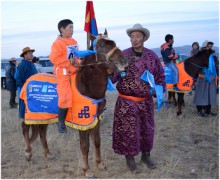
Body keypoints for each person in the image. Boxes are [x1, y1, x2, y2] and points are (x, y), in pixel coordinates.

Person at [110, 23, 166, 173]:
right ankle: (130, 159)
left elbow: (160, 76)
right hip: (126, 102)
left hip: (145, 102)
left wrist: (158, 90)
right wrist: (111, 68)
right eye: (132, 37)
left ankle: (146, 156)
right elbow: (114, 76)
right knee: (128, 131)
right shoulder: (124, 55)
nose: (134, 40)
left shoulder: (152, 56)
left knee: (147, 130)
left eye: (137, 37)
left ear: (144, 38)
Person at [49, 19, 80, 133]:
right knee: (65, 95)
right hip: (63, 72)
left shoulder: (74, 41)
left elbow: (77, 56)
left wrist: (78, 62)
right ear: (62, 29)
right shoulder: (57, 43)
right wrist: (70, 62)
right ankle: (61, 123)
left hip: (75, 70)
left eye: (73, 27)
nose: (72, 30)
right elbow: (54, 59)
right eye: (70, 27)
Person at [193, 40, 218, 116]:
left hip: (212, 78)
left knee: (210, 94)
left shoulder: (213, 55)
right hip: (202, 77)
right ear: (204, 47)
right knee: (201, 94)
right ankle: (199, 111)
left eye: (211, 46)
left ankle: (208, 110)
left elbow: (216, 66)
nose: (210, 48)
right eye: (208, 46)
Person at [15, 47, 38, 120]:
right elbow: (18, 78)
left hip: (32, 88)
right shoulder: (22, 65)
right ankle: (24, 118)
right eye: (29, 53)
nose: (31, 55)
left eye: (32, 53)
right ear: (25, 55)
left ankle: (31, 116)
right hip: (25, 88)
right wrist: (23, 89)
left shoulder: (31, 64)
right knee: (24, 104)